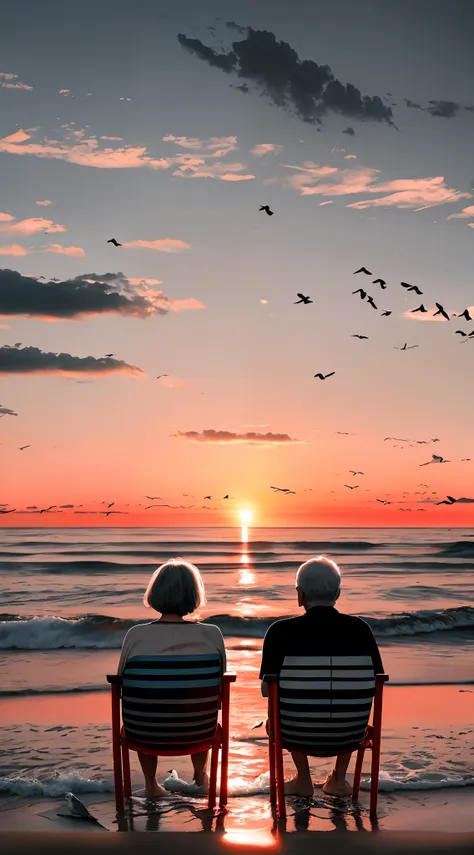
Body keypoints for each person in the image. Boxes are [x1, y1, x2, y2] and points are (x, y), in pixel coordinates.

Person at [259, 556, 383, 798]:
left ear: (300, 595)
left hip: (294, 734)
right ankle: (338, 778)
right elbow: (376, 681)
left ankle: (303, 779)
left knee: (275, 708)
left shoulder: (280, 632)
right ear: (337, 593)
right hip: (350, 734)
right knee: (344, 697)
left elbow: (267, 690)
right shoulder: (360, 630)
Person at [117, 558, 226, 799]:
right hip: (199, 731)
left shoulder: (136, 635)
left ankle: (150, 783)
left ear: (155, 593)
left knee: (150, 704)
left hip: (144, 732)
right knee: (195, 703)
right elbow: (219, 690)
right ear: (193, 595)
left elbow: (122, 683)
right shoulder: (212, 634)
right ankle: (200, 774)